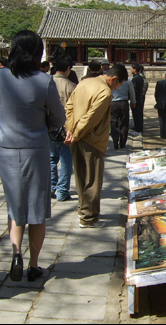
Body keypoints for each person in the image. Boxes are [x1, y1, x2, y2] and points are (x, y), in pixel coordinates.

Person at [0, 30, 66, 282]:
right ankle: (33, 264)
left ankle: (15, 253)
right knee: (37, 207)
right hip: (35, 148)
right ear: (36, 53)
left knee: (15, 204)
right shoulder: (44, 81)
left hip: (6, 148)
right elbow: (58, 118)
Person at [64, 63, 128, 228]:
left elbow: (69, 107)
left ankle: (82, 209)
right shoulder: (104, 92)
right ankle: (89, 217)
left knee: (80, 177)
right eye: (117, 85)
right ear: (113, 79)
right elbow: (92, 118)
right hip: (91, 139)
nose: (115, 89)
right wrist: (76, 132)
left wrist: (70, 130)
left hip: (76, 137)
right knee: (92, 180)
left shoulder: (85, 82)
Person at [49, 55, 76, 202]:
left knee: (51, 158)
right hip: (66, 126)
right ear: (68, 69)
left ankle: (52, 186)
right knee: (66, 160)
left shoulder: (47, 82)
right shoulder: (71, 86)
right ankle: (62, 190)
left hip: (49, 125)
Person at [111, 75, 136, 149]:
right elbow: (132, 92)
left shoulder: (111, 80)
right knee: (124, 123)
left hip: (113, 102)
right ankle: (122, 143)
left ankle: (115, 140)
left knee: (113, 122)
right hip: (123, 102)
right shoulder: (127, 80)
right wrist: (133, 101)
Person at [130, 63, 145, 136]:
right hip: (139, 97)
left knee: (136, 115)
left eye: (132, 68)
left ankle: (138, 130)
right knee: (139, 114)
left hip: (136, 98)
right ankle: (139, 128)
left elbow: (134, 90)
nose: (131, 70)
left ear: (135, 69)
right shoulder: (140, 77)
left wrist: (132, 99)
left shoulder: (135, 79)